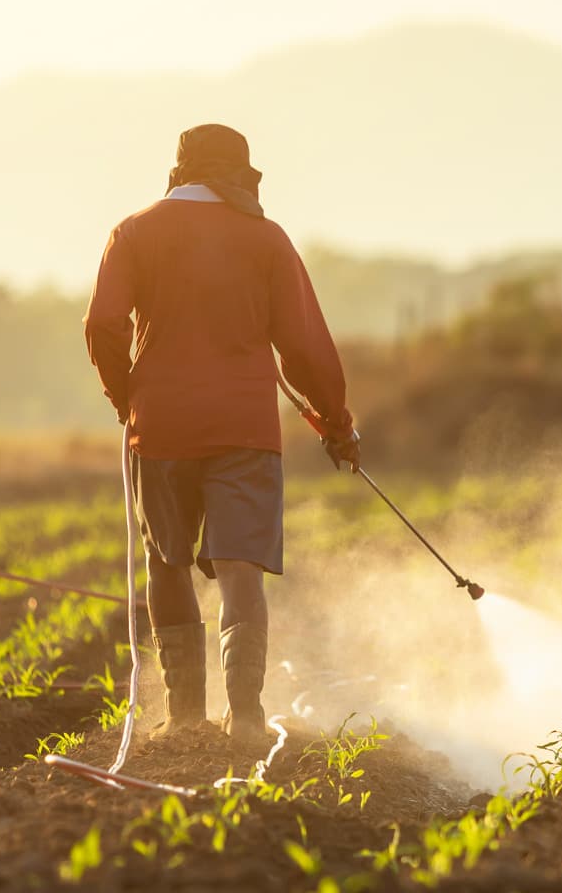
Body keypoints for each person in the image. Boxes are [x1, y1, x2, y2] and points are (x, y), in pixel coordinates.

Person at [83, 123, 359, 750]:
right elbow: (305, 348)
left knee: (168, 562)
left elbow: (103, 325)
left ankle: (183, 718)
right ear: (239, 175)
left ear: (179, 171)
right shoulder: (266, 239)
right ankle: (247, 717)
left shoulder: (133, 231)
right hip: (245, 428)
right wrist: (337, 424)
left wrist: (126, 397)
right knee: (240, 574)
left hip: (160, 427)